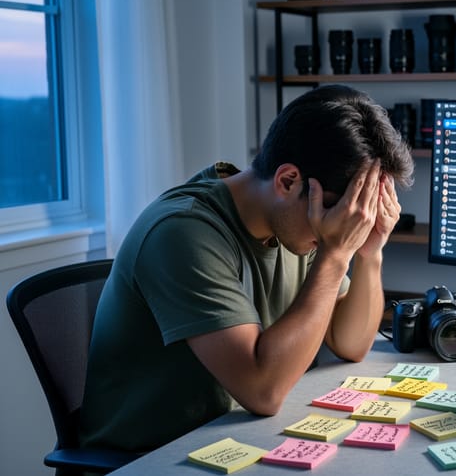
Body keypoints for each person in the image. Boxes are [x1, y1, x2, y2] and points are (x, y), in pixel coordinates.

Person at [78, 85, 415, 453]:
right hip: (150, 459)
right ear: (288, 181)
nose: (348, 224)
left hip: (236, 443)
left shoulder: (295, 222)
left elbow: (350, 343)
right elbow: (263, 392)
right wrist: (335, 255)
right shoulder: (182, 233)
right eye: (344, 212)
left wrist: (369, 252)